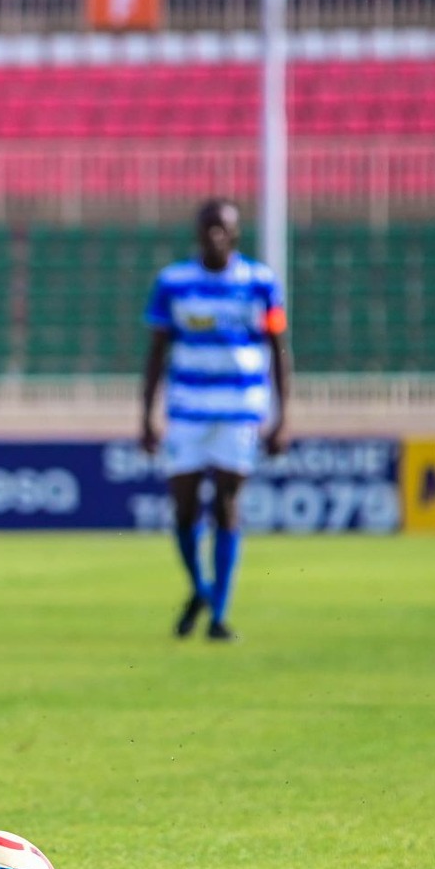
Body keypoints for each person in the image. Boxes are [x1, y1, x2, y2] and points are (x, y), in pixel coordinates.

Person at [138, 199, 291, 644]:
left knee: (227, 504)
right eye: (208, 227)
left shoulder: (260, 282)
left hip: (240, 408)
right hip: (186, 410)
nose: (215, 235)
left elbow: (279, 350)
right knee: (184, 508)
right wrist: (147, 415)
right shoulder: (173, 283)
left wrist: (282, 417)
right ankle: (203, 590)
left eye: (222, 228)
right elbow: (155, 353)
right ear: (197, 232)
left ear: (236, 234)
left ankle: (219, 615)